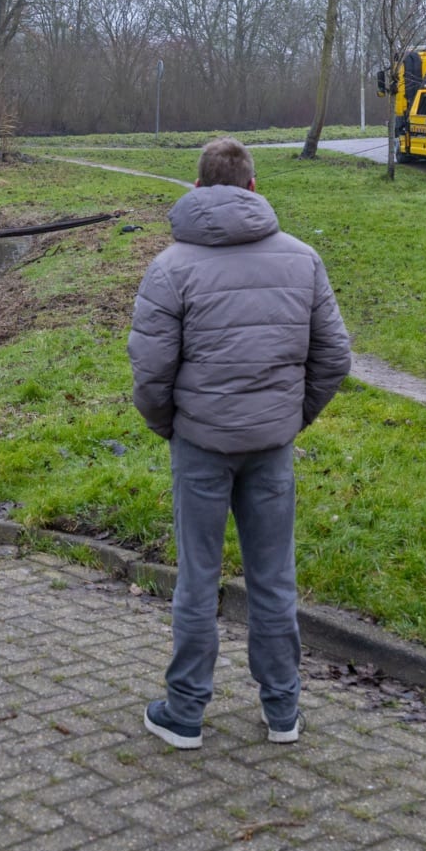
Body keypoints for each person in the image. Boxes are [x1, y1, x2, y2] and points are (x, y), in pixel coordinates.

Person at [127, 138, 352, 750]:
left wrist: (170, 424)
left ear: (198, 190)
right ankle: (282, 712)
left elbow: (150, 374)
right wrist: (290, 418)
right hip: (272, 445)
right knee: (274, 578)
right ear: (253, 189)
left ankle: (185, 712)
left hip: (199, 443)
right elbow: (335, 357)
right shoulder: (302, 260)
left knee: (198, 578)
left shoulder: (170, 267)